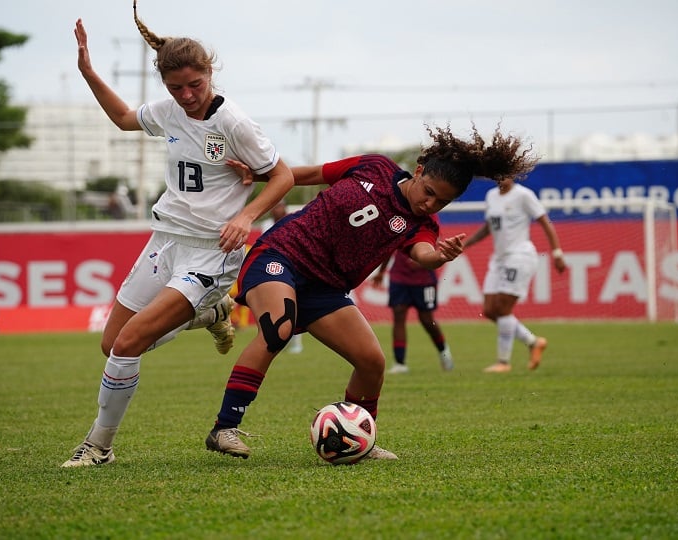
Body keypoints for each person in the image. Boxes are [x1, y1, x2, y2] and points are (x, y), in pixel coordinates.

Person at [204, 124, 539, 461]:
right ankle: (225, 428)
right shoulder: (375, 167)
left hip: (325, 286)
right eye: (429, 191)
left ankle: (358, 439)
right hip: (282, 254)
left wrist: (440, 255)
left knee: (372, 362)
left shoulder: (421, 225)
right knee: (279, 329)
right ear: (419, 171)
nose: (430, 203)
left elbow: (424, 254)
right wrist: (261, 175)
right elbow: (311, 174)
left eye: (442, 201)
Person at [61, 2, 294, 467]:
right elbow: (126, 118)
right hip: (164, 241)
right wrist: (88, 72)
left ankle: (98, 447)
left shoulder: (234, 123)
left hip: (210, 255)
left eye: (195, 84)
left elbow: (283, 175)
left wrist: (247, 217)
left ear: (210, 72)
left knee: (128, 345)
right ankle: (212, 316)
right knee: (113, 346)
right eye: (176, 87)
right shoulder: (168, 111)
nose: (187, 95)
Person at [462, 170, 566, 373]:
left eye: (507, 173)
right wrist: (466, 244)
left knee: (503, 308)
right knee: (490, 310)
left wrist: (557, 252)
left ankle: (503, 362)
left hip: (519, 256)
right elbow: (489, 227)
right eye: (499, 173)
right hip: (499, 259)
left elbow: (545, 222)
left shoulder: (523, 195)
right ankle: (533, 342)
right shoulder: (491, 196)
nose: (503, 177)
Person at [371, 247, 453, 374]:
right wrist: (381, 271)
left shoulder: (428, 227)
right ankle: (400, 363)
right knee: (399, 315)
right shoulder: (398, 226)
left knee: (426, 319)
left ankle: (444, 351)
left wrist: (424, 259)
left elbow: (437, 247)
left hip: (424, 280)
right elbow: (389, 247)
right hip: (399, 277)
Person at [259, 199, 303, 354]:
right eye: (275, 206)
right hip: (270, 269)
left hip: (291, 267)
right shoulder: (265, 225)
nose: (278, 209)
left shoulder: (293, 221)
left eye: (280, 206)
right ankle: (273, 341)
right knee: (272, 308)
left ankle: (296, 342)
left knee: (291, 306)